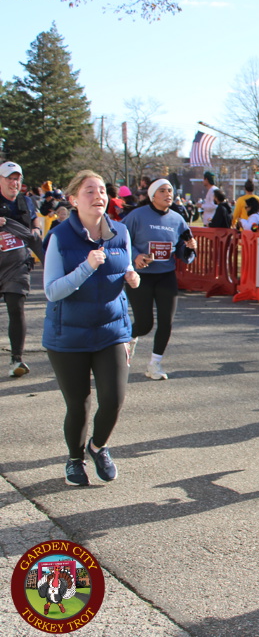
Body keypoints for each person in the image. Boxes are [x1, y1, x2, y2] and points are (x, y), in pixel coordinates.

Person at [42, 170, 140, 486]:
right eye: (89, 190)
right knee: (79, 404)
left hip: (112, 330)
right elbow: (52, 291)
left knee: (113, 398)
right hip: (68, 334)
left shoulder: (120, 232)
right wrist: (86, 267)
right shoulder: (59, 237)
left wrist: (132, 276)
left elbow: (124, 265)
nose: (98, 196)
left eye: (101, 190)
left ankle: (98, 447)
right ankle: (75, 459)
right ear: (73, 200)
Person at [123, 179, 196, 380]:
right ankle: (126, 343)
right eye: (162, 191)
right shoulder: (137, 216)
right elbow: (120, 240)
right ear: (152, 195)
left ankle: (154, 364)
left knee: (166, 322)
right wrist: (136, 256)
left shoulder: (177, 219)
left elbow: (181, 250)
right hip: (141, 276)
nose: (168, 194)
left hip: (166, 275)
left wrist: (189, 248)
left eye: (170, 190)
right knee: (144, 324)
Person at [0, 161, 43, 378]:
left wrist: (36, 229)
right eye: (9, 178)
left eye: (17, 179)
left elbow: (36, 221)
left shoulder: (26, 201)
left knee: (16, 308)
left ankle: (16, 359)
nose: (14, 183)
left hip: (17, 265)